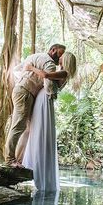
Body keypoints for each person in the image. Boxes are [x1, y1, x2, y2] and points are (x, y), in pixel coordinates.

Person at [21, 51, 77, 192]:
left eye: (63, 57)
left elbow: (45, 75)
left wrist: (31, 68)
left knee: (40, 132)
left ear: (67, 60)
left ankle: (40, 172)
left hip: (44, 100)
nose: (60, 58)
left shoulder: (64, 73)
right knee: (37, 130)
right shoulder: (61, 72)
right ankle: (34, 167)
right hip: (44, 98)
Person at [5, 43, 66, 166]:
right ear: (53, 50)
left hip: (20, 90)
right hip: (26, 93)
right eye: (60, 54)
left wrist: (24, 80)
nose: (60, 58)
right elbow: (49, 86)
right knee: (19, 126)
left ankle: (18, 159)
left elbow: (17, 69)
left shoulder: (34, 56)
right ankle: (10, 159)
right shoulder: (49, 63)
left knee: (26, 128)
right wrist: (50, 94)